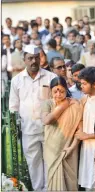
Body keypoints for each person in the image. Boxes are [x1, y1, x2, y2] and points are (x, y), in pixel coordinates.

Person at [9, 44, 56, 190]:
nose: (33, 61)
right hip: (28, 129)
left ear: (40, 59)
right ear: (24, 59)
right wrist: (15, 128)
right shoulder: (17, 80)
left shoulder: (51, 77)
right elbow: (13, 107)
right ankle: (38, 189)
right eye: (30, 58)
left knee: (50, 161)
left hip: (49, 128)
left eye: (36, 58)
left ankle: (50, 189)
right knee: (33, 163)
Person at [41, 76, 83, 191]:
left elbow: (79, 130)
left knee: (70, 181)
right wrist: (64, 105)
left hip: (69, 149)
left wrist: (72, 147)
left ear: (66, 89)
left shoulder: (75, 105)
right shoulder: (47, 104)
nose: (58, 94)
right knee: (53, 180)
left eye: (62, 91)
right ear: (50, 91)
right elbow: (46, 120)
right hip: (52, 149)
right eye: (55, 91)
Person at [76, 67, 95, 190]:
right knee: (88, 183)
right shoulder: (85, 99)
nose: (82, 87)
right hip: (87, 147)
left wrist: (87, 135)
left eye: (84, 84)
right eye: (81, 84)